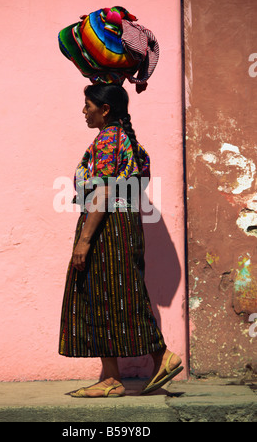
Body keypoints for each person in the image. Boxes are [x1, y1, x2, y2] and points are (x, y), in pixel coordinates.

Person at [59, 84, 183, 397]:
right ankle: (112, 378)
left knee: (110, 294)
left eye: (88, 105)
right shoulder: (128, 140)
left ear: (105, 110)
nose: (84, 111)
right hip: (124, 223)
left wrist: (85, 240)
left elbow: (102, 191)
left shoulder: (107, 139)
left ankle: (161, 356)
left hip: (107, 226)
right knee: (113, 294)